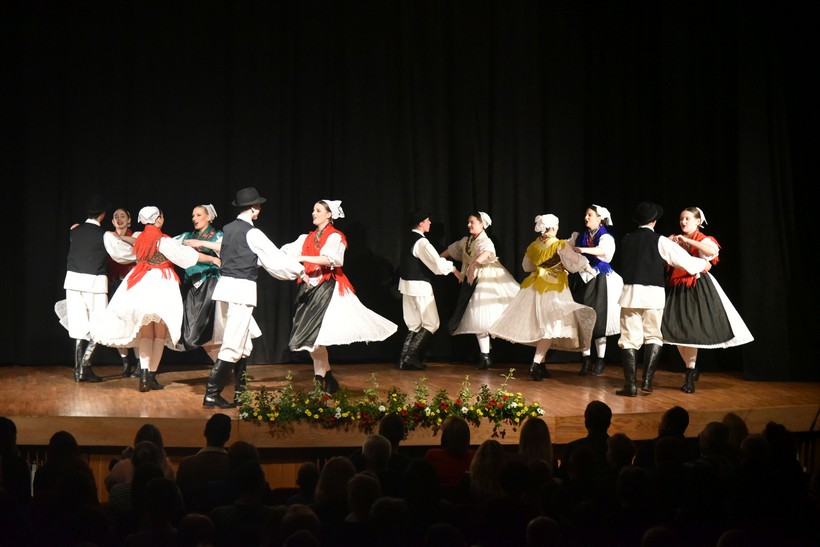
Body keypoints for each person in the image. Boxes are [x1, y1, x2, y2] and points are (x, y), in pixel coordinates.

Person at [91, 206, 220, 392]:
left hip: (141, 283)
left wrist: (117, 237)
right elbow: (186, 256)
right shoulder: (163, 241)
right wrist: (212, 259)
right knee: (159, 333)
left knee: (146, 333)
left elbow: (122, 253)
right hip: (161, 284)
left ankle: (144, 376)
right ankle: (150, 375)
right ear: (159, 219)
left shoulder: (140, 238)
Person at [203, 187, 305, 409]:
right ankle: (212, 394)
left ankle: (241, 394)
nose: (259, 210)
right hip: (241, 290)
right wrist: (299, 271)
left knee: (242, 341)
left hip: (226, 288)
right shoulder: (253, 233)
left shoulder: (228, 229)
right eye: (258, 206)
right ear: (253, 208)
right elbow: (274, 258)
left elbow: (245, 258)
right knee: (233, 344)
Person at [282, 199, 397, 394]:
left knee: (316, 338)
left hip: (327, 289)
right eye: (313, 210)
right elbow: (285, 252)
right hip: (309, 290)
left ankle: (319, 383)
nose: (314, 213)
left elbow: (332, 259)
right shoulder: (306, 238)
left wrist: (302, 258)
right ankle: (328, 378)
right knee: (313, 341)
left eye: (318, 210)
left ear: (329, 215)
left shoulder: (335, 237)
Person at [615, 201, 713, 397]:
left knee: (629, 339)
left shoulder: (626, 239)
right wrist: (702, 264)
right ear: (654, 221)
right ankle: (647, 383)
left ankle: (630, 385)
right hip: (653, 295)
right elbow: (683, 261)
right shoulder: (660, 240)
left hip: (630, 294)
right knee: (653, 336)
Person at [490, 214, 597, 381]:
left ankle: (541, 366)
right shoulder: (558, 244)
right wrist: (591, 270)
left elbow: (526, 266)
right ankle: (535, 364)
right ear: (553, 227)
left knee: (543, 326)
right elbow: (575, 261)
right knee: (550, 327)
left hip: (535, 286)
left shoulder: (534, 245)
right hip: (553, 287)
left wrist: (545, 265)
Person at [662, 207, 754, 393]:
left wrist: (688, 241)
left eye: (687, 219)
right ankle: (691, 368)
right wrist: (671, 242)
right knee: (676, 332)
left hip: (697, 287)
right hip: (678, 286)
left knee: (691, 331)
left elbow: (712, 251)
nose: (683, 222)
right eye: (681, 219)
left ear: (697, 222)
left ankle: (689, 373)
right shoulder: (675, 239)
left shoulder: (702, 239)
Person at [441, 210, 520, 370]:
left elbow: (487, 253)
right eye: (469, 222)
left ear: (482, 225)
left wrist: (473, 265)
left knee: (484, 315)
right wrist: (438, 261)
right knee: (478, 319)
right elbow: (450, 251)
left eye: (472, 222)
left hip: (487, 279)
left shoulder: (485, 241)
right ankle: (485, 355)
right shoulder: (466, 241)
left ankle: (487, 355)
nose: (469, 225)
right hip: (472, 280)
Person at [397, 208, 458, 371]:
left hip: (406, 285)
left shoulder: (408, 238)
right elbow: (437, 264)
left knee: (414, 324)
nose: (430, 222)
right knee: (432, 323)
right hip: (419, 286)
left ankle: (404, 359)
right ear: (421, 223)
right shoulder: (421, 242)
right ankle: (410, 357)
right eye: (428, 220)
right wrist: (453, 269)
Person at [568, 204, 624, 376]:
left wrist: (582, 250)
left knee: (599, 320)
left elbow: (604, 252)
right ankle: (586, 360)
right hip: (582, 277)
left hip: (599, 278)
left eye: (590, 215)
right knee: (583, 318)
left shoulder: (605, 237)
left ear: (599, 218)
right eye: (586, 214)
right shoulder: (580, 235)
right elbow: (568, 248)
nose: (586, 218)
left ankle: (600, 360)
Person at [60, 193, 110, 383]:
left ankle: (78, 369)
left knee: (78, 326)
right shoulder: (104, 235)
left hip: (73, 281)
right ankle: (84, 367)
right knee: (100, 325)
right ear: (103, 214)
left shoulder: (75, 231)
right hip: (94, 282)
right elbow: (120, 255)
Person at [175, 203, 223, 361]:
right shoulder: (188, 236)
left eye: (198, 215)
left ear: (208, 217)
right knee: (192, 333)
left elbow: (226, 247)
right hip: (192, 284)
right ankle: (221, 366)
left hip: (210, 282)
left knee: (205, 328)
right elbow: (167, 244)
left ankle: (225, 366)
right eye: (193, 216)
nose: (194, 218)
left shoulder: (217, 235)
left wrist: (202, 244)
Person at [104, 207, 139, 377]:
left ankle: (140, 363)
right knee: (117, 323)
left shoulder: (136, 236)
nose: (119, 219)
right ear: (112, 221)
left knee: (135, 322)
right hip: (114, 284)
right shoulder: (108, 237)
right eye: (116, 217)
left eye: (123, 216)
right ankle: (125, 362)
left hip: (131, 284)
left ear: (129, 220)